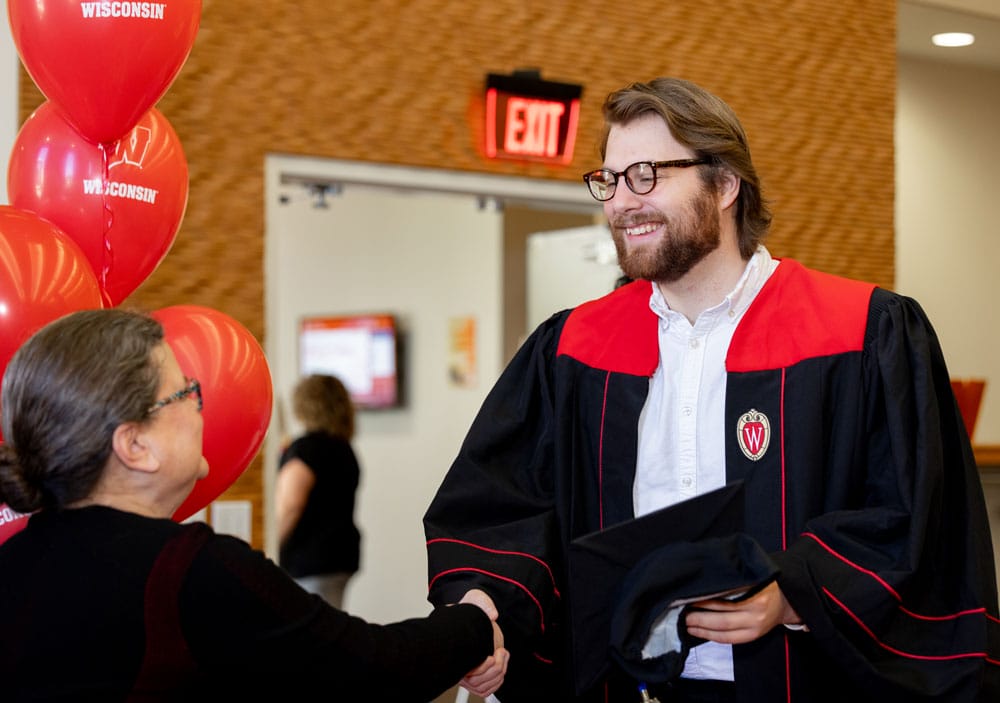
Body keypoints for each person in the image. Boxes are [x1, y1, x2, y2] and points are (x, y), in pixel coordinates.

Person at [423, 77, 1000, 702]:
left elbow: (916, 523)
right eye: (610, 180)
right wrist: (483, 610)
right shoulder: (572, 349)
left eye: (647, 174)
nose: (622, 201)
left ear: (725, 185)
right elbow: (503, 511)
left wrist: (794, 592)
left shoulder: (861, 332)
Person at [0, 308, 507, 701]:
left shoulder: (14, 562)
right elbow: (369, 672)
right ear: (135, 445)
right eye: (185, 393)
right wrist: (473, 623)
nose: (201, 408)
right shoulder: (190, 571)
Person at [276, 373, 361, 609]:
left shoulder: (306, 449)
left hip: (308, 561)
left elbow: (291, 505)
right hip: (339, 558)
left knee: (311, 638)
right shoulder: (344, 449)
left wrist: (270, 546)